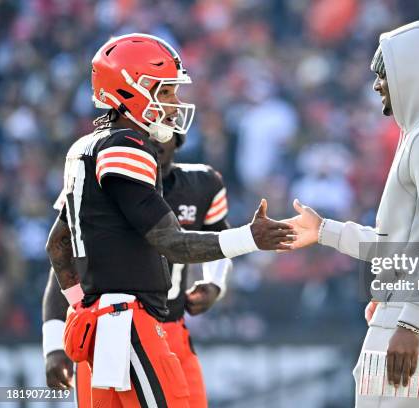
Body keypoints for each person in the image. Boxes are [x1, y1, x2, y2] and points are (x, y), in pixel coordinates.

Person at [45, 33, 294, 407]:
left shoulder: (86, 148)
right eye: (165, 92)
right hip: (132, 320)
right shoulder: (127, 148)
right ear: (130, 89)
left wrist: (82, 305)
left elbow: (58, 245)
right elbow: (172, 243)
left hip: (104, 322)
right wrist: (251, 238)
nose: (176, 105)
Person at [286, 21, 419, 407]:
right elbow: (404, 244)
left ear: (413, 73)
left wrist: (410, 319)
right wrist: (324, 230)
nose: (378, 84)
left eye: (384, 73)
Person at [42, 132, 231, 407]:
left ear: (176, 139)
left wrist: (214, 283)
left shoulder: (202, 184)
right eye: (144, 132)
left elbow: (217, 238)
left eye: (159, 132)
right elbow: (63, 258)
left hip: (170, 328)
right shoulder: (101, 174)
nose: (148, 141)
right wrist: (55, 343)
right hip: (106, 325)